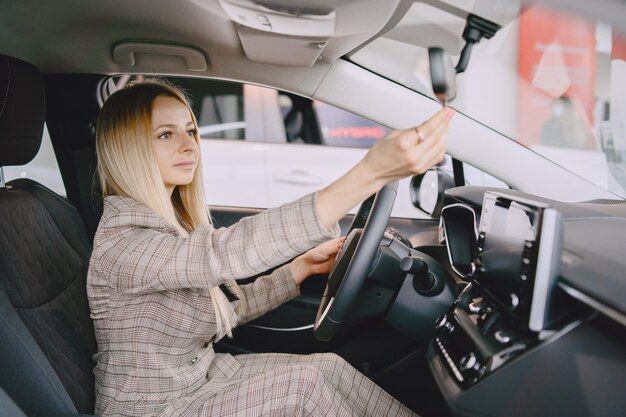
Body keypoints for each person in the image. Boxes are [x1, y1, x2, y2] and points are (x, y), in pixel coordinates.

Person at [87, 78, 454, 417]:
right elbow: (222, 254)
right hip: (154, 409)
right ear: (128, 148)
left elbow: (224, 310)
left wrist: (301, 268)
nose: (189, 145)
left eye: (190, 130)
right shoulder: (124, 243)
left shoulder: (170, 224)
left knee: (326, 367)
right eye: (165, 135)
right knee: (303, 387)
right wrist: (369, 173)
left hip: (198, 379)